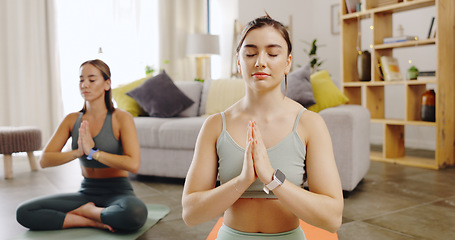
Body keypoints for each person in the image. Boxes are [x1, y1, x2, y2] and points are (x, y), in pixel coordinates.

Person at [182, 15, 343, 239]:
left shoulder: (310, 124)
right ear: (239, 62)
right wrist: (242, 181)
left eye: (273, 53)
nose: (260, 61)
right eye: (250, 53)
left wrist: (272, 179)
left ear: (287, 62)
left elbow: (332, 218)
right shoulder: (215, 126)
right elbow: (191, 214)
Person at [16, 59, 148, 232]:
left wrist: (93, 153)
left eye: (92, 80)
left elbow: (133, 164)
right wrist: (78, 152)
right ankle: (91, 218)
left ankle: (87, 213)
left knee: (135, 213)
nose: (85, 85)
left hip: (119, 192)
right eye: (81, 80)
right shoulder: (72, 119)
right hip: (86, 193)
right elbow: (45, 160)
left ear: (107, 84)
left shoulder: (121, 118)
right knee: (25, 212)